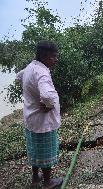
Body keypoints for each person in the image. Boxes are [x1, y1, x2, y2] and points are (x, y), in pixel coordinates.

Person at [16, 41, 63, 188]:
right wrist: (48, 105)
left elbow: (18, 77)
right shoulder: (42, 72)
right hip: (43, 122)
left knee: (35, 149)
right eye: (53, 57)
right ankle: (48, 182)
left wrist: (32, 95)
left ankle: (36, 178)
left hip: (31, 118)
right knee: (46, 152)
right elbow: (48, 96)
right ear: (44, 56)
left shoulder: (31, 67)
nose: (56, 60)